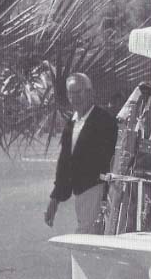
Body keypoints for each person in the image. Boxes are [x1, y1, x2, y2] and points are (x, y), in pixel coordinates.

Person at [45, 73, 118, 233]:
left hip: (98, 190)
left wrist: (105, 195)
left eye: (79, 92)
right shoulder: (72, 123)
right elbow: (64, 164)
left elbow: (113, 160)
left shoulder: (104, 121)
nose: (75, 97)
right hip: (82, 194)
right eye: (71, 93)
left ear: (90, 92)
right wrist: (54, 201)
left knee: (86, 237)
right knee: (86, 236)